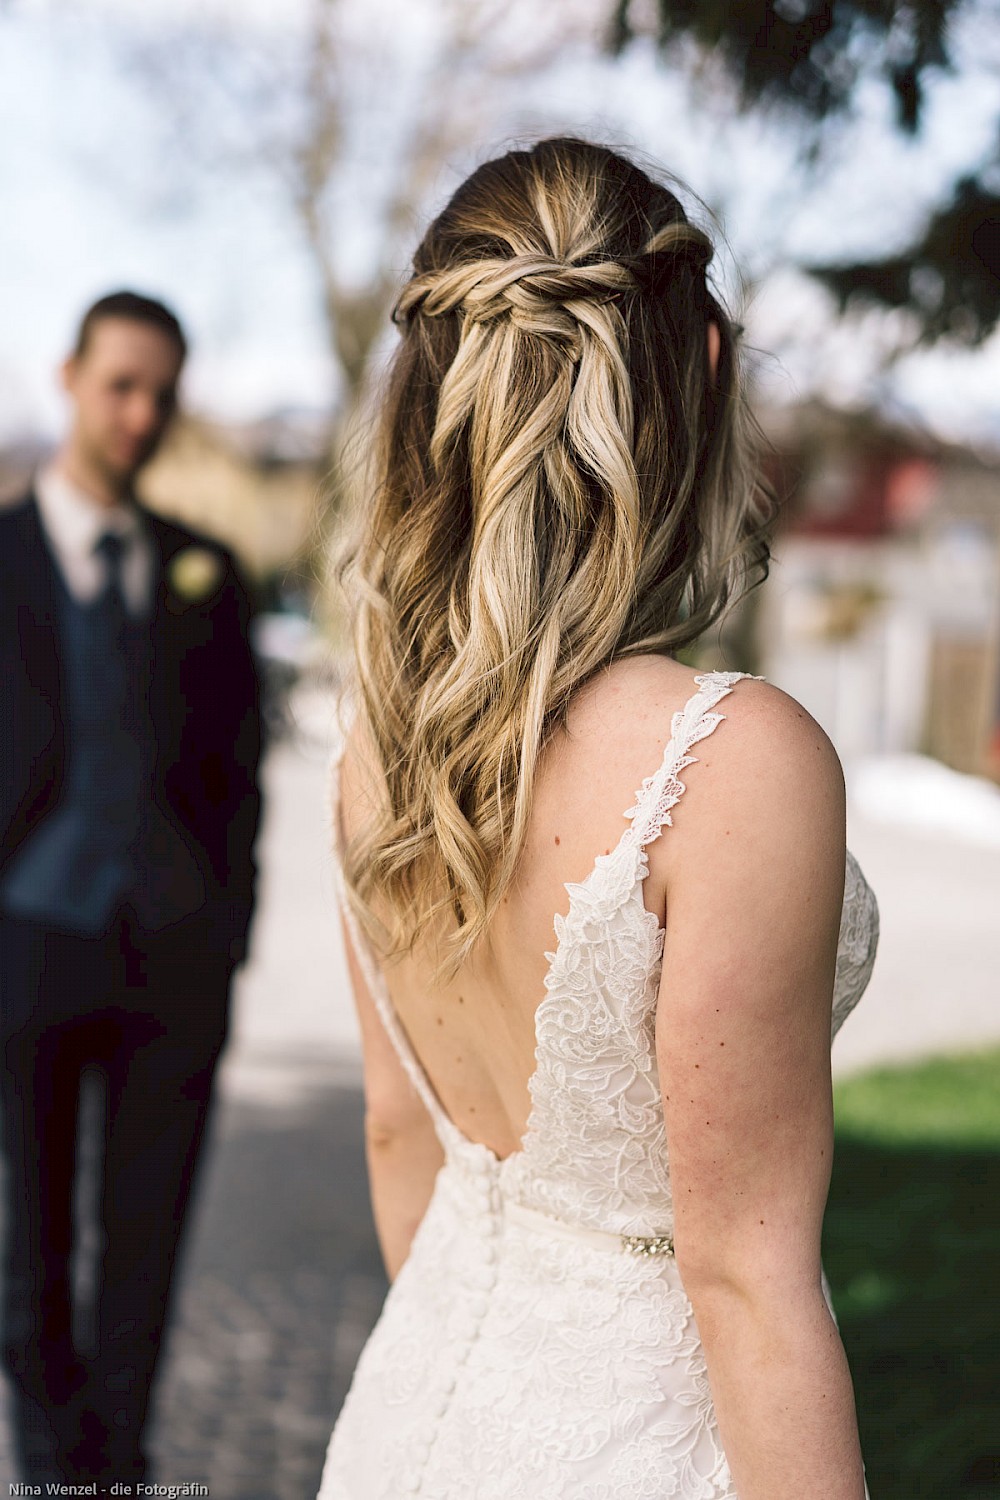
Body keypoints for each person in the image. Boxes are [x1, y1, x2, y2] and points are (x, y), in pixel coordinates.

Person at [319, 139, 879, 1499]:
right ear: (699, 377)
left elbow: (405, 1145)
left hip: (408, 1420)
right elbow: (745, 1278)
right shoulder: (733, 762)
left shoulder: (379, 757)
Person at [0, 291, 262, 1483]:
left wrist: (228, 942)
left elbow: (239, 781)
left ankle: (119, 1463)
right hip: (26, 945)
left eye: (161, 393)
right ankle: (53, 1465)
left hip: (172, 956)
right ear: (69, 377)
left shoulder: (207, 573)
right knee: (29, 1243)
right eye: (121, 385)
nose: (140, 413)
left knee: (146, 1241)